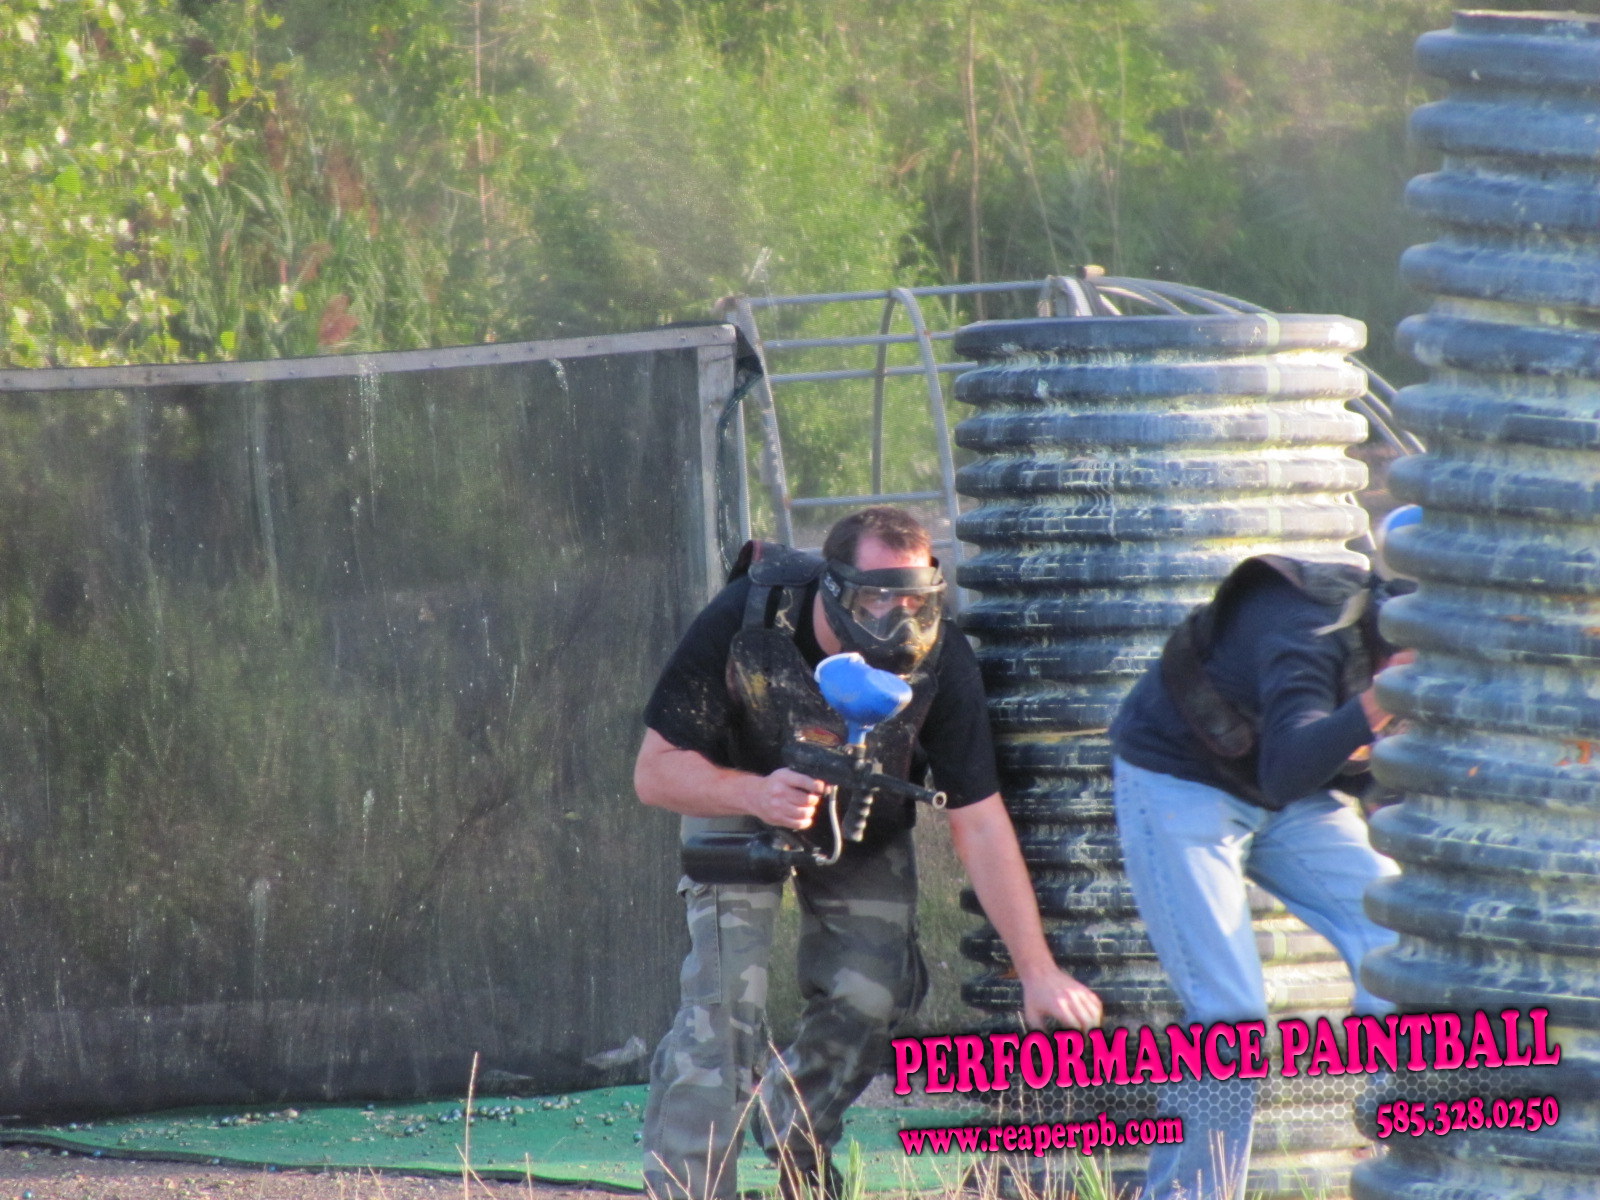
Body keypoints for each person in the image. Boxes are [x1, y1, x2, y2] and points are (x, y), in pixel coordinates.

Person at [636, 505, 1101, 1200]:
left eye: (915, 601)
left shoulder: (941, 658)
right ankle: (688, 1189)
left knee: (871, 996)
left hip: (860, 817)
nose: (899, 623)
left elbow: (979, 822)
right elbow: (655, 774)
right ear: (831, 589)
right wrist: (758, 793)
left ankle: (793, 1122)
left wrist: (1037, 972)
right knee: (724, 1010)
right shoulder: (750, 618)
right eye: (877, 598)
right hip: (734, 796)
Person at [1109, 509, 1421, 1200]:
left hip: (1291, 796)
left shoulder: (1412, 651)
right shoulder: (1306, 626)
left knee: (1404, 958)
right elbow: (1286, 768)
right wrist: (1381, 702)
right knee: (1230, 1017)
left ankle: (1408, 1169)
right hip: (1181, 779)